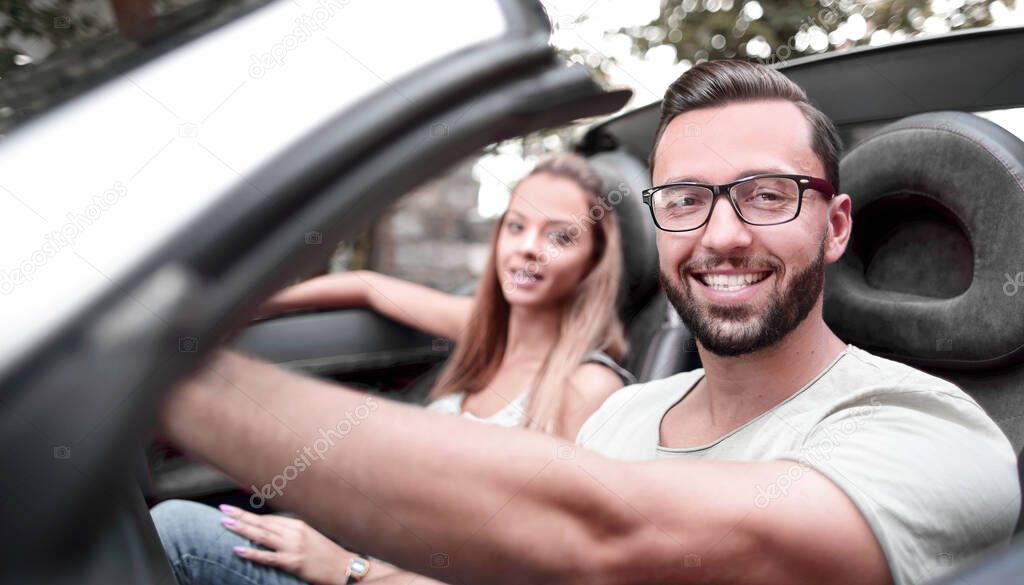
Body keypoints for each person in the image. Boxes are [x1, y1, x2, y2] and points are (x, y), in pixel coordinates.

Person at [158, 60, 1021, 585]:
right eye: (686, 200)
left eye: (767, 195)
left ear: (835, 226)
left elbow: (602, 536)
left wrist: (154, 370)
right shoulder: (627, 415)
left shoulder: (933, 430)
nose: (721, 234)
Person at [151, 153, 637, 585]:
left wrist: (349, 569)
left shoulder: (587, 386)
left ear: (593, 260)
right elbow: (366, 286)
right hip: (370, 556)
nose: (529, 246)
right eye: (516, 226)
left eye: (560, 236)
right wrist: (239, 310)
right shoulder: (486, 330)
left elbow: (544, 570)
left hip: (368, 573)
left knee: (177, 533)